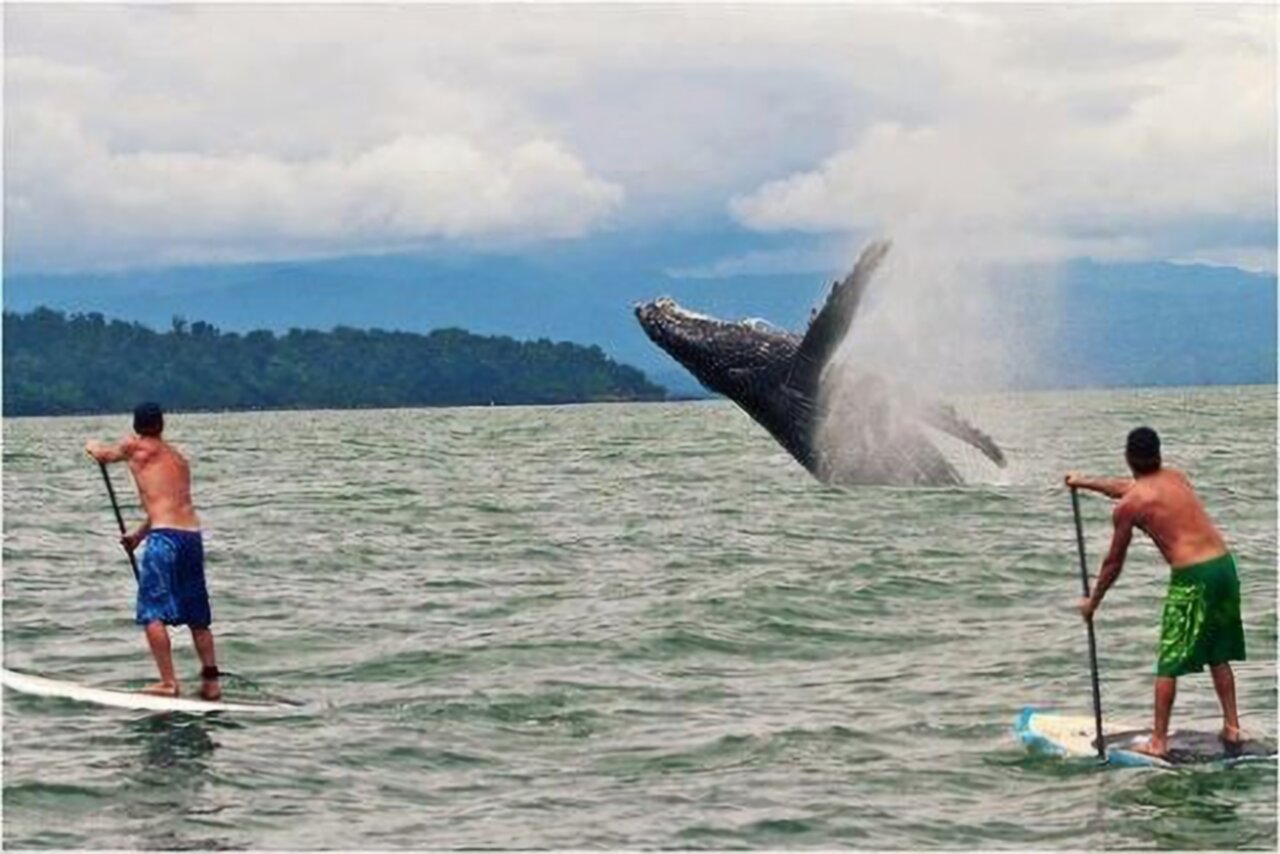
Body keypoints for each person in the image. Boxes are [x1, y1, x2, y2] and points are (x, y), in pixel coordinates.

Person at [1066, 426, 1246, 758]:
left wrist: (1093, 602)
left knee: (1169, 660)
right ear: (1158, 455)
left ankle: (1158, 741)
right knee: (1217, 652)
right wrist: (1083, 482)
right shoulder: (1176, 477)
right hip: (1224, 567)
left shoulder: (1129, 506)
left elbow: (1113, 562)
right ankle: (1232, 725)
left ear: (1128, 458)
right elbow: (1126, 489)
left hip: (1194, 577)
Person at [86, 402, 221, 700]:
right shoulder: (178, 458)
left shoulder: (136, 447)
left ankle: (168, 682)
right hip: (191, 538)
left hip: (165, 541)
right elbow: (167, 503)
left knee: (152, 611)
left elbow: (104, 456)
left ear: (136, 426)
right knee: (197, 616)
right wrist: (137, 535)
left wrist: (91, 445)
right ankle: (211, 683)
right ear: (162, 425)